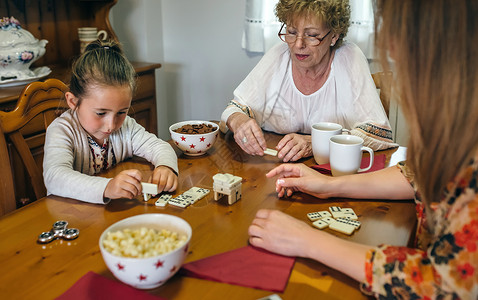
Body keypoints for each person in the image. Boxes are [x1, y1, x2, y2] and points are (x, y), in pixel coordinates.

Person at [248, 0, 478, 298]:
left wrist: (309, 240)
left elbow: (447, 284)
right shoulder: (459, 123)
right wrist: (330, 184)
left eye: (398, 39)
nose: (392, 52)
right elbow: (416, 176)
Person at [220, 0, 396, 162]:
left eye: (311, 35)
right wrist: (238, 121)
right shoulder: (279, 55)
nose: (298, 44)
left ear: (334, 36)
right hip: (274, 165)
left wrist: (317, 143)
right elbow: (235, 108)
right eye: (291, 32)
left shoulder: (349, 57)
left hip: (333, 171)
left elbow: (379, 134)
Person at [43, 39, 178, 204]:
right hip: (70, 216)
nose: (111, 125)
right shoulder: (61, 130)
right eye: (100, 113)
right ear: (73, 102)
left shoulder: (126, 126)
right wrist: (107, 187)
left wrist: (165, 167)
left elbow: (160, 147)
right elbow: (54, 177)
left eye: (122, 112)